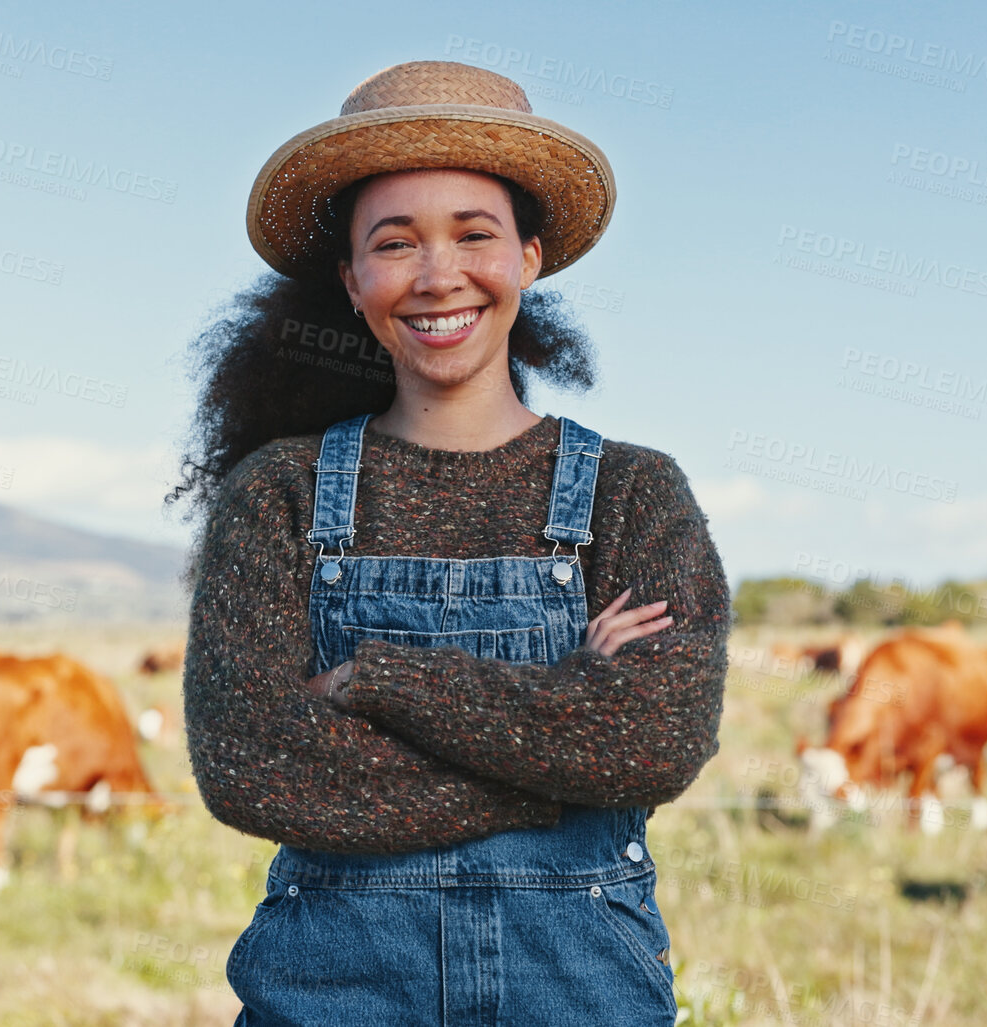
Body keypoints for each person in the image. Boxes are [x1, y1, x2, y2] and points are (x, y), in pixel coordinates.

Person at [170, 59, 730, 1025]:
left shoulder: (634, 493)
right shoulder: (279, 495)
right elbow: (252, 764)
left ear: (529, 258)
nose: (438, 276)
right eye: (394, 244)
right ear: (351, 281)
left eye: (475, 234)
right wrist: (557, 747)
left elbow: (651, 740)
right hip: (331, 994)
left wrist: (375, 683)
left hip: (582, 991)